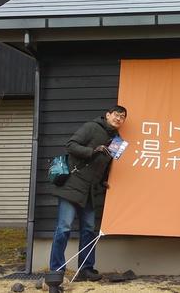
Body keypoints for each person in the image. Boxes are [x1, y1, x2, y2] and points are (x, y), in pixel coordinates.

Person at [49, 105, 128, 280]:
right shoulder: (92, 127)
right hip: (72, 185)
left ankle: (86, 269)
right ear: (108, 115)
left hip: (91, 191)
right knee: (63, 229)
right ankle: (56, 270)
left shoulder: (118, 141)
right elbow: (70, 145)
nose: (119, 119)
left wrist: (103, 181)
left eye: (122, 117)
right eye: (116, 115)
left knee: (89, 231)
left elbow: (105, 166)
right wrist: (92, 151)